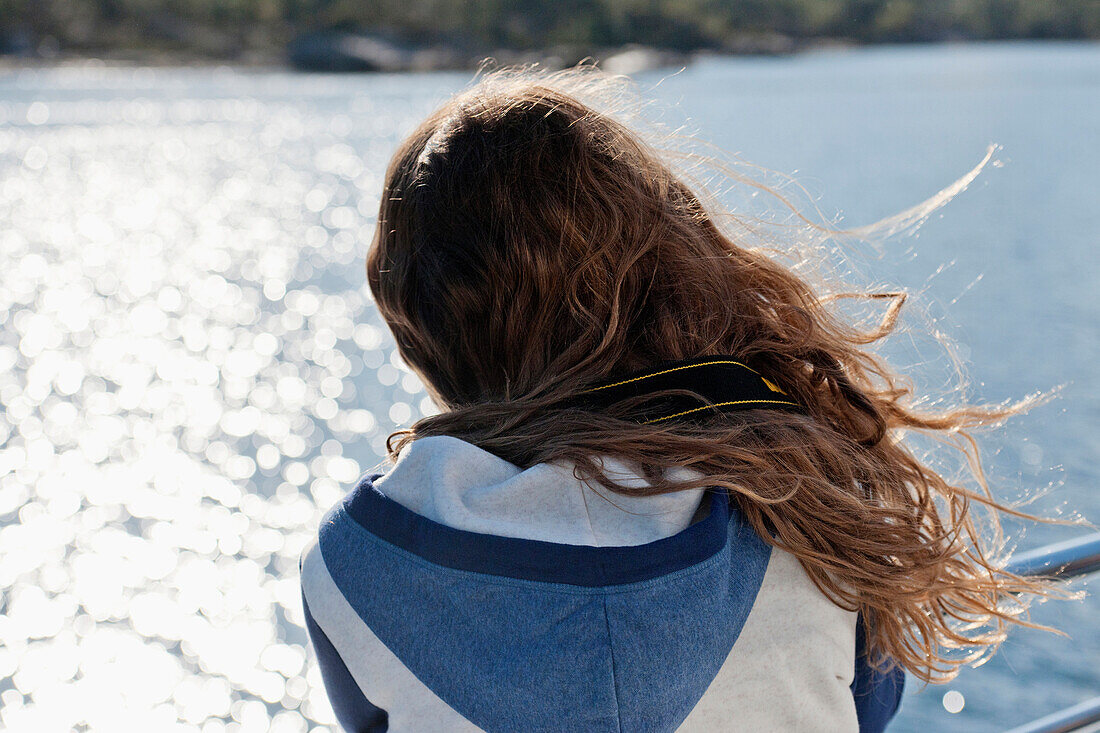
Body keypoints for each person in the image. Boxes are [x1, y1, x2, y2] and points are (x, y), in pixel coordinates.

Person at [298, 64, 1060, 732]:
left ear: (418, 322)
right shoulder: (806, 489)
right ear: (663, 264)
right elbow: (867, 707)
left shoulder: (354, 559)